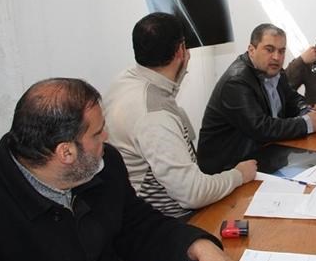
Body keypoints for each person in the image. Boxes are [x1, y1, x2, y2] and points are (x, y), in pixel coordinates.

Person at [0, 78, 265, 261]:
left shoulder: (104, 166)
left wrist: (199, 247)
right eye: (97, 133)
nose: (106, 138)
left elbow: (139, 227)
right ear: (65, 152)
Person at [104, 13, 257, 219]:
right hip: (164, 220)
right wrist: (239, 175)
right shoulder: (155, 116)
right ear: (180, 50)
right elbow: (192, 194)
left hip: (128, 206)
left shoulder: (125, 81)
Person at [197, 23, 316, 173]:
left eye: (281, 51)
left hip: (264, 154)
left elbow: (293, 99)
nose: (277, 57)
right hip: (229, 168)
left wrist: (308, 111)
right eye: (269, 49)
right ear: (251, 50)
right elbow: (261, 127)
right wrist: (306, 123)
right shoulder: (236, 82)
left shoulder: (274, 71)